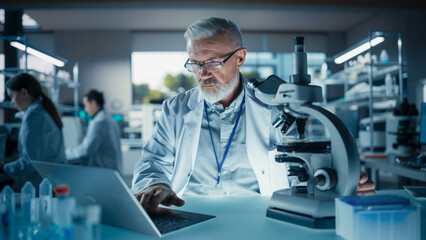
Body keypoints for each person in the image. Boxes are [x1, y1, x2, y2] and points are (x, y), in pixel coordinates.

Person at [131, 17, 375, 211]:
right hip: (190, 213)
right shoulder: (175, 109)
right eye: (195, 63)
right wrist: (156, 183)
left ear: (240, 58)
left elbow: (301, 168)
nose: (202, 73)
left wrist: (340, 183)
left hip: (261, 215)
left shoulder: (277, 106)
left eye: (213, 62)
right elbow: (153, 161)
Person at [0, 73, 66, 191]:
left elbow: (31, 162)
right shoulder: (43, 111)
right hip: (51, 181)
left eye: (12, 96)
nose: (12, 102)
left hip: (39, 185)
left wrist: (4, 167)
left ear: (24, 93)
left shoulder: (34, 116)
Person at [66, 90, 122, 173]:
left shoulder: (98, 122)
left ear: (94, 103)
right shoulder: (109, 119)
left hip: (104, 171)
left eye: (86, 105)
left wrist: (66, 152)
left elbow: (85, 150)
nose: (85, 109)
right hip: (112, 170)